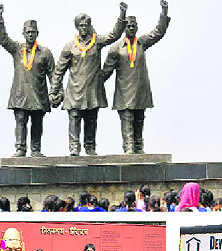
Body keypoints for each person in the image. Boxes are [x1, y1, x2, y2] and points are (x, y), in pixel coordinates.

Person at [49, 3, 128, 156]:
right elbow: (59, 70)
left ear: (90, 26)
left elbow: (114, 35)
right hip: (74, 90)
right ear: (77, 27)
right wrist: (53, 90)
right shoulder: (69, 46)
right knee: (74, 118)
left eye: (86, 24)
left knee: (91, 119)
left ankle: (90, 147)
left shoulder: (97, 42)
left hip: (92, 90)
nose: (84, 27)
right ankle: (74, 147)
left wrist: (122, 15)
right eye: (81, 25)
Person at [102, 0, 170, 154]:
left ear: (137, 28)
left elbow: (158, 32)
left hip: (140, 91)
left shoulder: (142, 43)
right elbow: (105, 71)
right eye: (128, 26)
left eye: (133, 26)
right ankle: (128, 150)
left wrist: (164, 11)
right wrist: (92, 84)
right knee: (127, 123)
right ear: (124, 28)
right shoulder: (116, 49)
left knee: (139, 121)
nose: (131, 28)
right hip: (124, 93)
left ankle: (139, 149)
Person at [0, 4, 55, 158]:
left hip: (38, 94)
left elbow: (53, 74)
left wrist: (55, 91)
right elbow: (3, 39)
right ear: (23, 33)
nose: (30, 34)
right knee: (20, 121)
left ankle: (35, 149)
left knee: (37, 123)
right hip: (20, 94)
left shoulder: (45, 52)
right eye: (27, 32)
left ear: (37, 33)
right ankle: (20, 148)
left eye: (33, 32)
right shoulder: (16, 49)